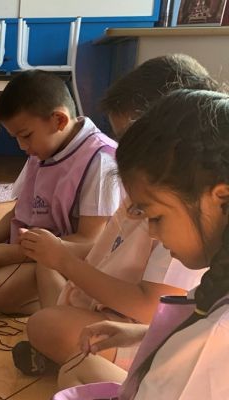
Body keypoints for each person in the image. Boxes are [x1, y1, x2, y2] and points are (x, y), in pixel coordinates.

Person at [15, 55, 219, 380]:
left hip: (133, 323)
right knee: (44, 300)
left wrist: (65, 261)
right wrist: (57, 253)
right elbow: (108, 249)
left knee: (50, 329)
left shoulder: (186, 212)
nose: (123, 154)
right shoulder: (155, 196)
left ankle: (76, 356)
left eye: (130, 139)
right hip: (112, 312)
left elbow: (153, 309)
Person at [56, 89, 229, 399]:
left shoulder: (214, 339)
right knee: (74, 368)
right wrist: (145, 334)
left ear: (220, 198)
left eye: (157, 217)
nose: (151, 233)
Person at [0, 70, 120, 314]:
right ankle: (20, 274)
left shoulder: (101, 160)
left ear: (59, 120)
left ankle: (71, 298)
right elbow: (20, 210)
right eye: (16, 137)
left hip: (69, 259)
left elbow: (90, 241)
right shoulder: (44, 147)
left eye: (26, 136)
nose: (22, 146)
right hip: (30, 249)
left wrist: (13, 254)